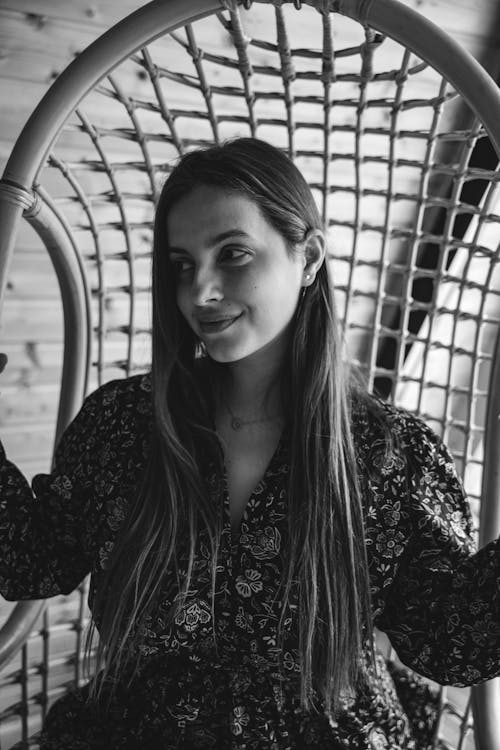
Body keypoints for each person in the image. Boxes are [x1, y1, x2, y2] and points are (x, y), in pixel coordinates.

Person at [0, 137, 499, 750]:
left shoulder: (388, 455)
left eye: (232, 253)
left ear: (309, 257)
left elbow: (451, 642)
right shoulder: (124, 425)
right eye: (182, 263)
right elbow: (28, 559)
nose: (199, 291)